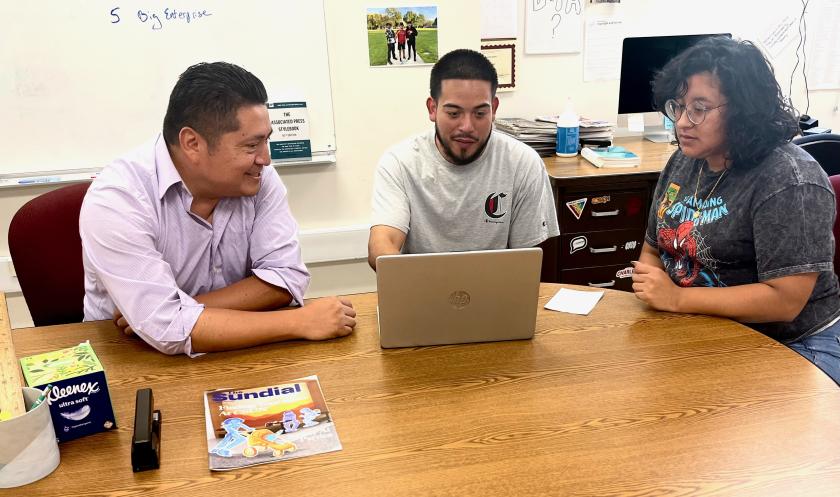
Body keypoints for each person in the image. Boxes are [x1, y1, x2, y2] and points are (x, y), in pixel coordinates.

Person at [80, 62, 356, 356]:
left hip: (240, 354)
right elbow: (169, 328)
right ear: (192, 144)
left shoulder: (257, 178)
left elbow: (286, 278)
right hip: (128, 357)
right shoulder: (118, 199)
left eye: (266, 140)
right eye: (251, 146)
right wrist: (298, 322)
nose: (265, 159)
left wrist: (177, 307)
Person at [632, 37, 840, 384]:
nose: (682, 122)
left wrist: (679, 299)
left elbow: (785, 301)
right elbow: (653, 249)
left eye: (699, 108)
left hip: (797, 340)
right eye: (678, 106)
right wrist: (660, 297)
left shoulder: (789, 179)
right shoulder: (684, 162)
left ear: (743, 110)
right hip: (706, 326)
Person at [368, 49, 559, 270]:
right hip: (422, 295)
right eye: (453, 113)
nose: (467, 127)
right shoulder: (399, 163)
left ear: (494, 109)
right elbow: (382, 246)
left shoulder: (523, 163)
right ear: (433, 108)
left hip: (497, 295)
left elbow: (530, 259)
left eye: (479, 114)